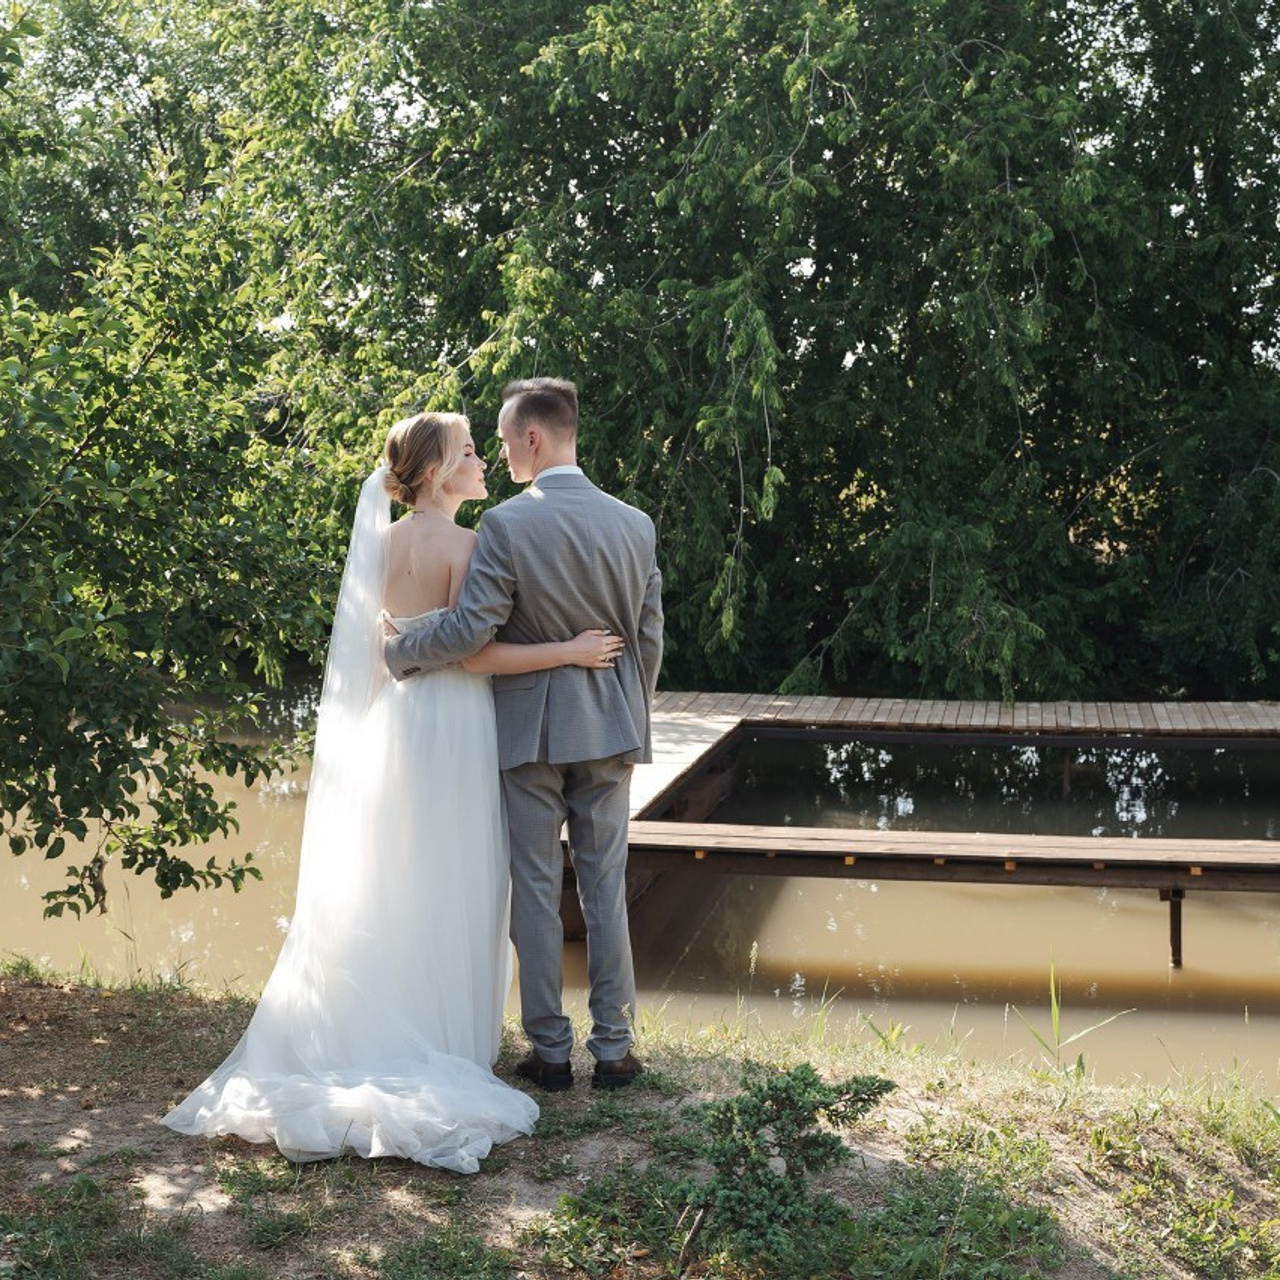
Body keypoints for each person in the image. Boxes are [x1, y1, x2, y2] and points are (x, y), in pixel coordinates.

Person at [162, 411, 622, 1172]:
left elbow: (378, 656)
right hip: (455, 726)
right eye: (469, 452)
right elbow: (474, 655)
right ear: (438, 472)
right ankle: (443, 1040)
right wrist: (569, 650)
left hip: (392, 727)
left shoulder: (379, 544)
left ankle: (383, 1019)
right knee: (454, 879)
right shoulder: (470, 544)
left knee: (392, 878)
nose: (482, 461)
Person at [384, 378, 663, 1093]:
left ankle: (550, 1053)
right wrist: (630, 714)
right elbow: (648, 637)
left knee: (534, 890)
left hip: (528, 733)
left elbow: (471, 631)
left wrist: (397, 651)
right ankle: (614, 1050)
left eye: (505, 441)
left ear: (533, 438)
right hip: (611, 728)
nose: (500, 454)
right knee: (605, 887)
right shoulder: (635, 524)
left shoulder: (506, 526)